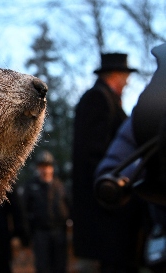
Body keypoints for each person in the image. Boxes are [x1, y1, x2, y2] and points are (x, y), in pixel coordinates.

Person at [72, 52, 145, 272]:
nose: (127, 82)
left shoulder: (107, 100)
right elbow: (95, 153)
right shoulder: (98, 99)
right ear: (114, 75)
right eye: (125, 76)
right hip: (106, 208)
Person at [23, 150, 70, 273]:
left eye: (48, 166)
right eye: (42, 166)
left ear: (52, 168)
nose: (45, 170)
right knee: (42, 266)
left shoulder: (60, 186)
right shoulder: (30, 186)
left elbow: (69, 205)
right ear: (38, 168)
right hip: (40, 232)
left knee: (60, 265)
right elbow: (25, 210)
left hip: (59, 231)